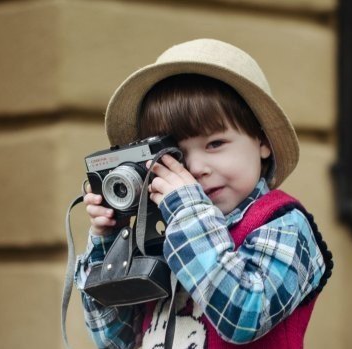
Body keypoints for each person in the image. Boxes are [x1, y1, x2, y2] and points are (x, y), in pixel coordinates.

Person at [75, 38, 332, 349]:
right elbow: (114, 340)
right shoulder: (164, 233)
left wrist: (186, 213)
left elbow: (244, 315)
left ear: (263, 142)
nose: (196, 168)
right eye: (176, 155)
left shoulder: (284, 224)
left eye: (215, 144)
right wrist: (108, 242)